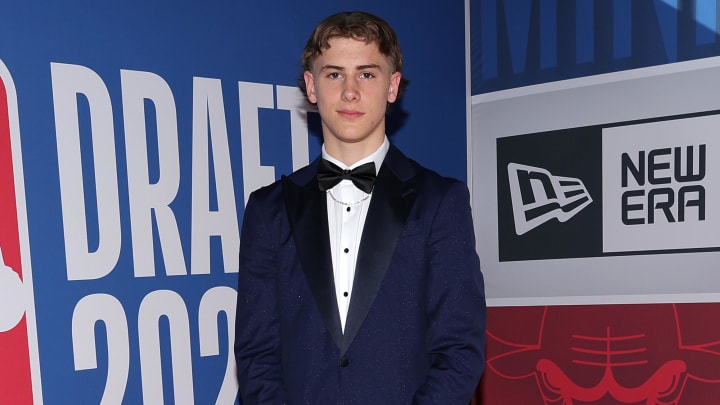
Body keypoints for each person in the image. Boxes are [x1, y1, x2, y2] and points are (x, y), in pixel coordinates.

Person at [234, 10, 486, 404]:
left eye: (367, 74)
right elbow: (256, 355)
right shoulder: (268, 210)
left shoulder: (440, 202)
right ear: (311, 86)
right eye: (334, 74)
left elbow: (459, 351)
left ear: (392, 85)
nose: (350, 92)